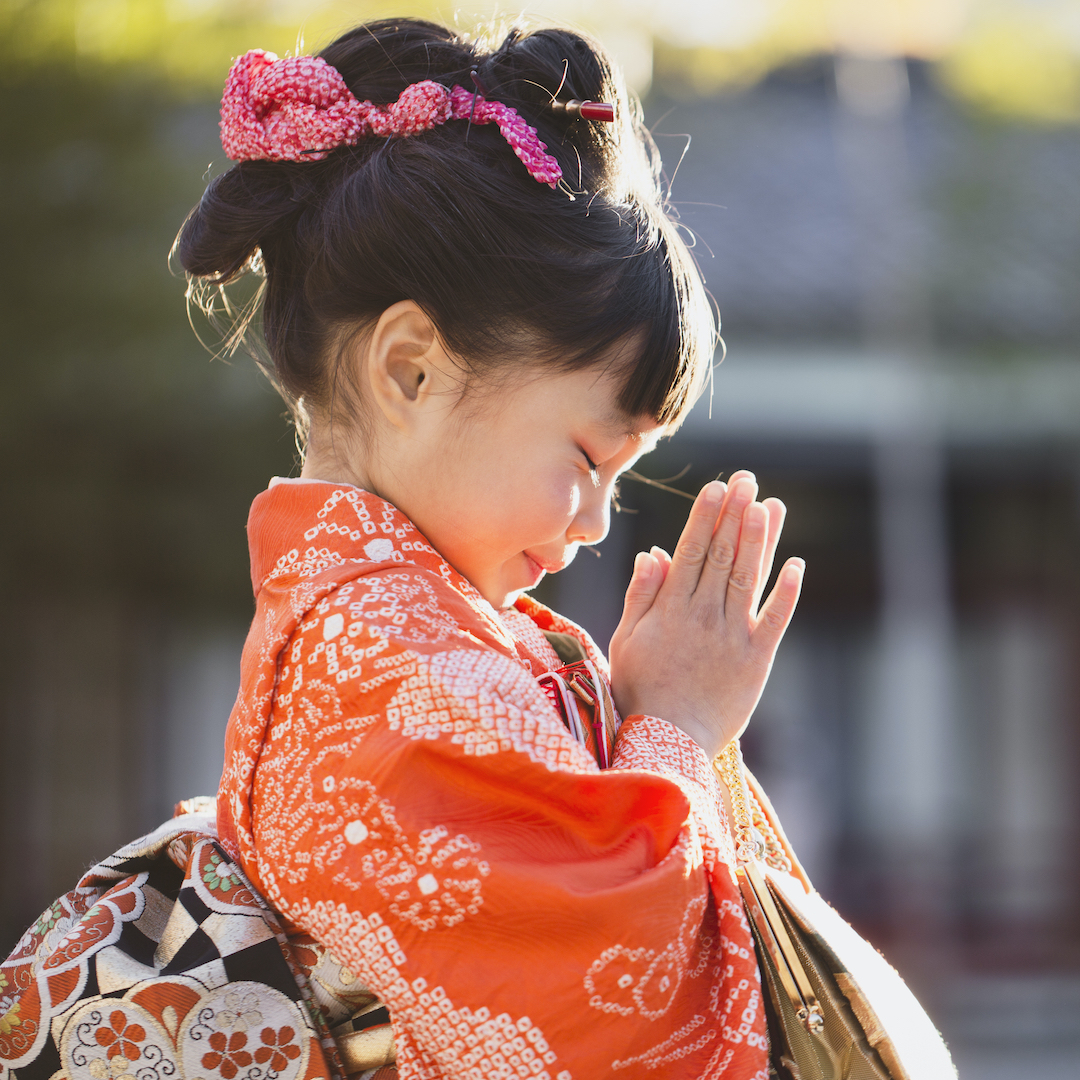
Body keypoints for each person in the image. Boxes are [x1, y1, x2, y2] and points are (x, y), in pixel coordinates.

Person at [0, 17, 804, 1080]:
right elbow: (600, 989)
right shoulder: (387, 656)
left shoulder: (386, 632)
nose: (597, 520)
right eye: (584, 455)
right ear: (412, 369)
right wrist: (679, 731)